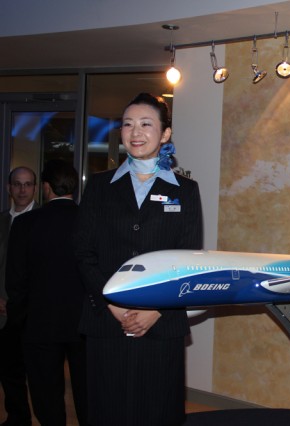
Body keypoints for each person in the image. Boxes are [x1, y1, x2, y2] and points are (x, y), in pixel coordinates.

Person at [74, 93, 203, 426]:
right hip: (106, 320)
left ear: (165, 134)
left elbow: (188, 258)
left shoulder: (185, 191)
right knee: (108, 407)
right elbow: (84, 253)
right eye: (128, 124)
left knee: (157, 409)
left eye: (146, 124)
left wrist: (156, 310)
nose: (135, 132)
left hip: (161, 323)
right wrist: (112, 303)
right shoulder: (99, 187)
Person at [5, 160, 88, 426]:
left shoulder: (26, 224)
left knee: (45, 392)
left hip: (39, 323)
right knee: (87, 392)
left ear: (46, 187)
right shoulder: (91, 221)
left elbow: (15, 280)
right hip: (83, 323)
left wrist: (19, 318)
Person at [0, 167, 37, 426]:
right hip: (2, 313)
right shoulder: (1, 220)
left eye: (27, 184)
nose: (22, 190)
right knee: (9, 372)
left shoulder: (43, 221)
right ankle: (17, 418)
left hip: (33, 313)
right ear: (9, 188)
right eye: (17, 184)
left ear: (35, 188)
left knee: (38, 373)